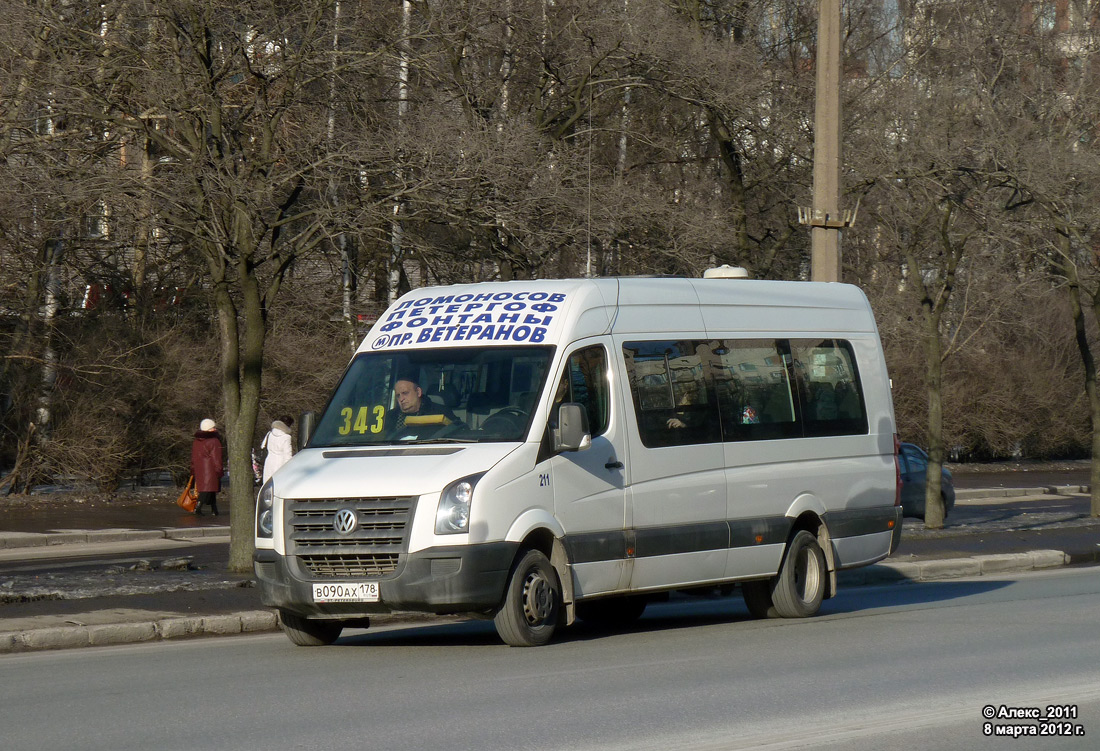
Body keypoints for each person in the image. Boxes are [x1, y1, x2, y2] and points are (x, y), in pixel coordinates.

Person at [389, 377, 456, 436]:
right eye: (398, 396)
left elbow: (458, 433)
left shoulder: (441, 412)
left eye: (405, 393)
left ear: (418, 392)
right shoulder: (390, 417)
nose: (401, 399)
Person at [191, 418, 223, 516]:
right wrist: (219, 470)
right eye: (213, 427)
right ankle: (198, 507)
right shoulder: (214, 441)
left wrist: (192, 469)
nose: (215, 429)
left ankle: (214, 509)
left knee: (209, 489)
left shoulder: (197, 441)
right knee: (207, 490)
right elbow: (216, 457)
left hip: (200, 469)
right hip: (210, 470)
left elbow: (193, 456)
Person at [261, 417, 294, 483]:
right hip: (280, 463)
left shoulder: (269, 434)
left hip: (269, 462)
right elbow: (287, 455)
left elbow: (262, 446)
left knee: (267, 483)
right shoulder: (286, 437)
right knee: (279, 484)